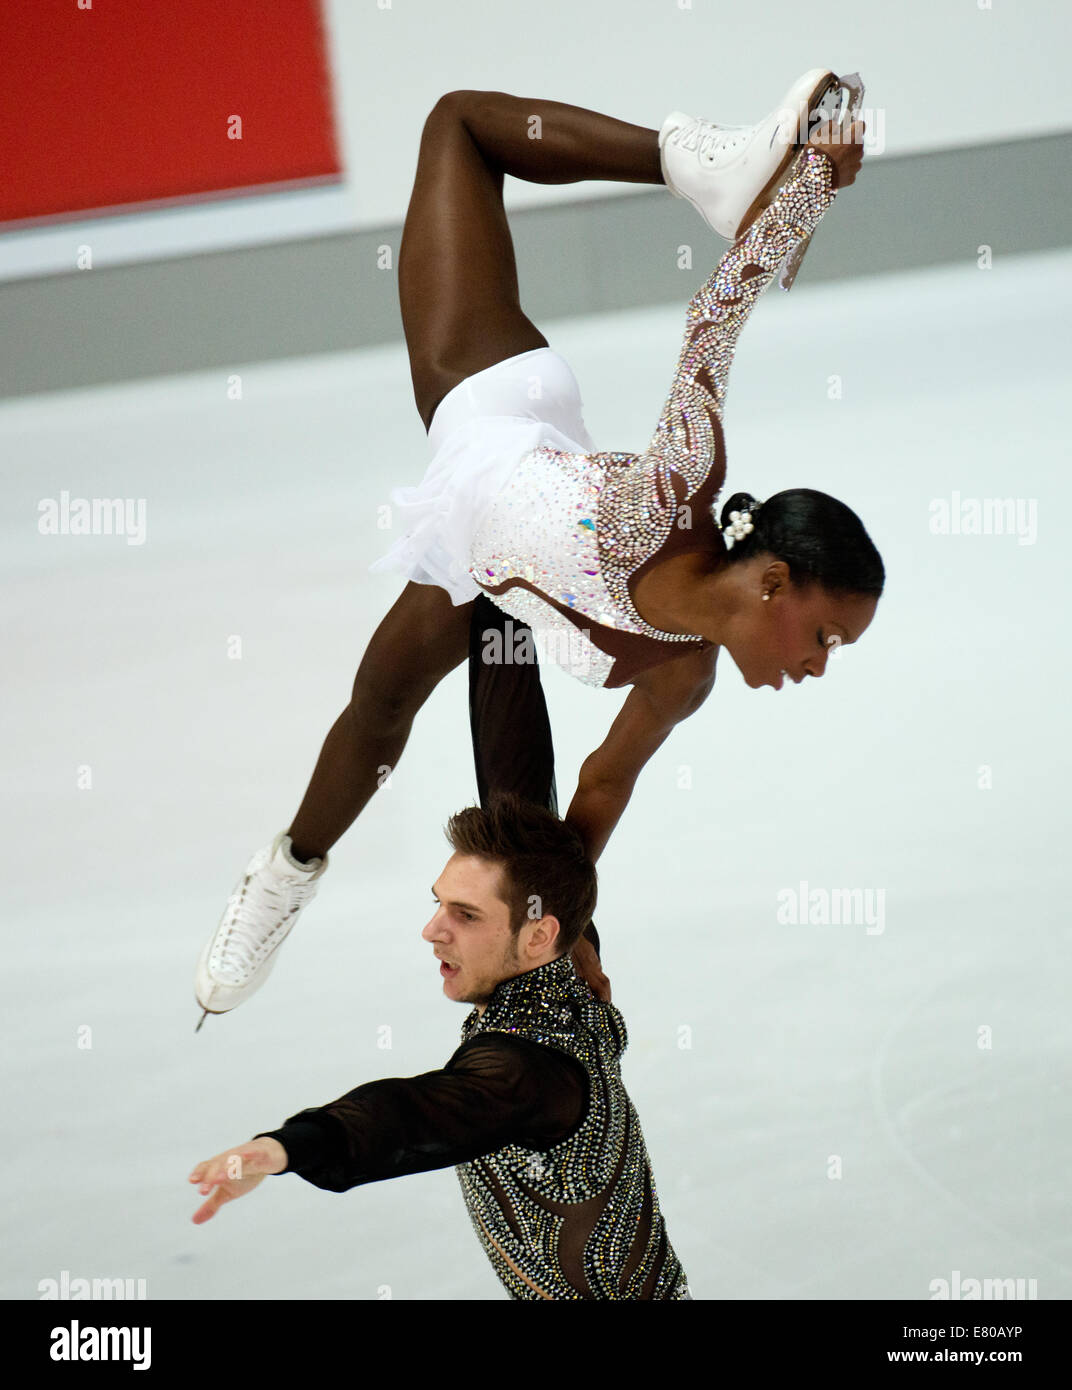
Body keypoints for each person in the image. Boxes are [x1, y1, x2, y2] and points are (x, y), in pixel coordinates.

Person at [194, 70, 883, 1025]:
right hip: (495, 409)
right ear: (776, 582)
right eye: (827, 636)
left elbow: (599, 791)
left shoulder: (683, 676)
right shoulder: (671, 493)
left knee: (443, 727)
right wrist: (803, 188)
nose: (818, 665)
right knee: (461, 125)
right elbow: (712, 323)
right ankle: (284, 874)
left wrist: (571, 923)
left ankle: (319, 867)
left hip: (502, 577)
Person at [188, 791, 691, 1300]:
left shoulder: (527, 1071)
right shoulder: (574, 975)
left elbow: (414, 1115)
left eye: (466, 915)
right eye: (439, 903)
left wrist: (290, 1146)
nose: (432, 931)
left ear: (539, 935)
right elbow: (518, 770)